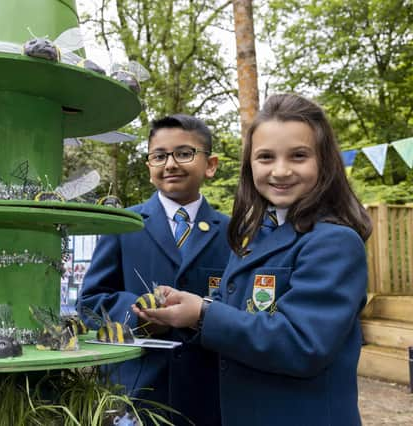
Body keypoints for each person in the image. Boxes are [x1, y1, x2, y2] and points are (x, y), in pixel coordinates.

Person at [134, 94, 372, 426]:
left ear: (325, 162)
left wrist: (202, 314)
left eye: (299, 156)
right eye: (265, 157)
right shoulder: (252, 236)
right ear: (250, 165)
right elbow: (236, 311)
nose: (281, 170)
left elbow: (302, 343)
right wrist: (189, 308)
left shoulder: (334, 241)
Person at [77, 114, 231, 425]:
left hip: (207, 393)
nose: (170, 164)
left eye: (184, 153)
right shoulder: (123, 224)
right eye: (159, 156)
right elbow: (91, 302)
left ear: (210, 165)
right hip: (135, 393)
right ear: (149, 168)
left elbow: (239, 305)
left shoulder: (232, 232)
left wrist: (203, 314)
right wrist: (139, 317)